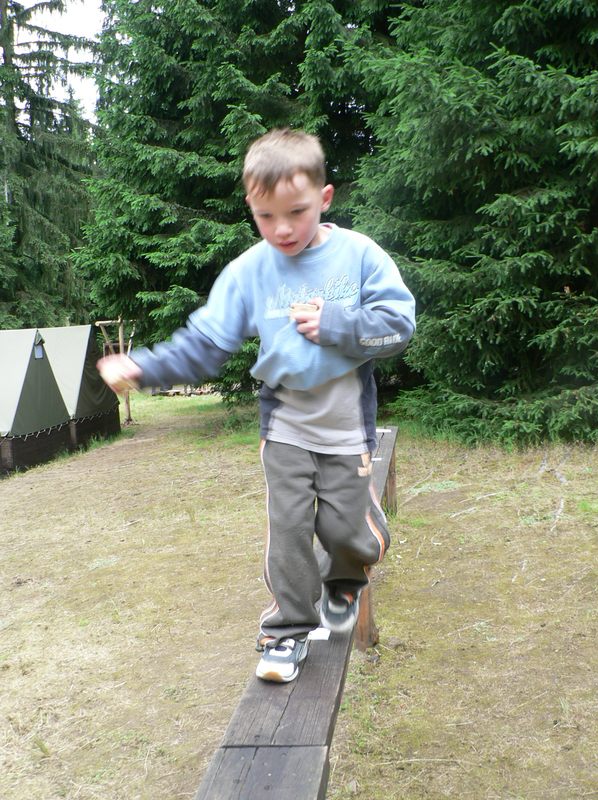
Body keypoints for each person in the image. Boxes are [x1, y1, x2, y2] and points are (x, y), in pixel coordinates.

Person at [97, 128, 416, 683]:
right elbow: (204, 344)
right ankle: (286, 632)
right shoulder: (249, 271)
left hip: (346, 429)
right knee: (288, 532)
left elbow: (399, 326)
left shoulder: (360, 255)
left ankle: (346, 575)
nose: (282, 229)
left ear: (325, 198)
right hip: (286, 426)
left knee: (347, 534)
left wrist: (337, 325)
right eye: (266, 217)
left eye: (296, 212)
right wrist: (143, 368)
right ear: (251, 205)